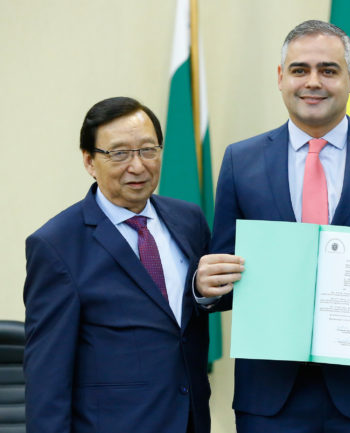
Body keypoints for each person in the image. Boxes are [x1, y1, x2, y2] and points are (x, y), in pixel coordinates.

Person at [195, 20, 350, 433]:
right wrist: (206, 287)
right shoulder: (241, 162)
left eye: (328, 70)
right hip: (270, 399)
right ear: (280, 78)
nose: (313, 82)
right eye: (299, 70)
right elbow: (223, 272)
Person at [23, 97, 212, 433]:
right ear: (89, 161)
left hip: (189, 420)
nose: (137, 166)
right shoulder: (56, 245)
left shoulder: (189, 220)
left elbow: (189, 316)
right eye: (120, 153)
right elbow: (47, 375)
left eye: (148, 150)